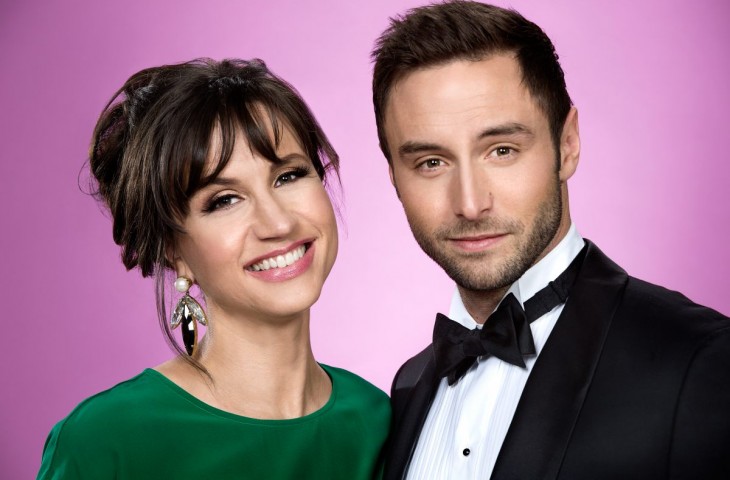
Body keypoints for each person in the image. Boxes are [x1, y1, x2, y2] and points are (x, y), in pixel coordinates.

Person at [371, 2, 730, 479]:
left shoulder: (701, 360)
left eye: (502, 150)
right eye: (431, 163)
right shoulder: (407, 387)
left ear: (567, 144)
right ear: (394, 178)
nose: (470, 204)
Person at [37, 58, 390, 479]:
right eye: (224, 200)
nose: (278, 223)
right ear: (172, 249)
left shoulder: (380, 421)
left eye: (289, 176)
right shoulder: (105, 442)